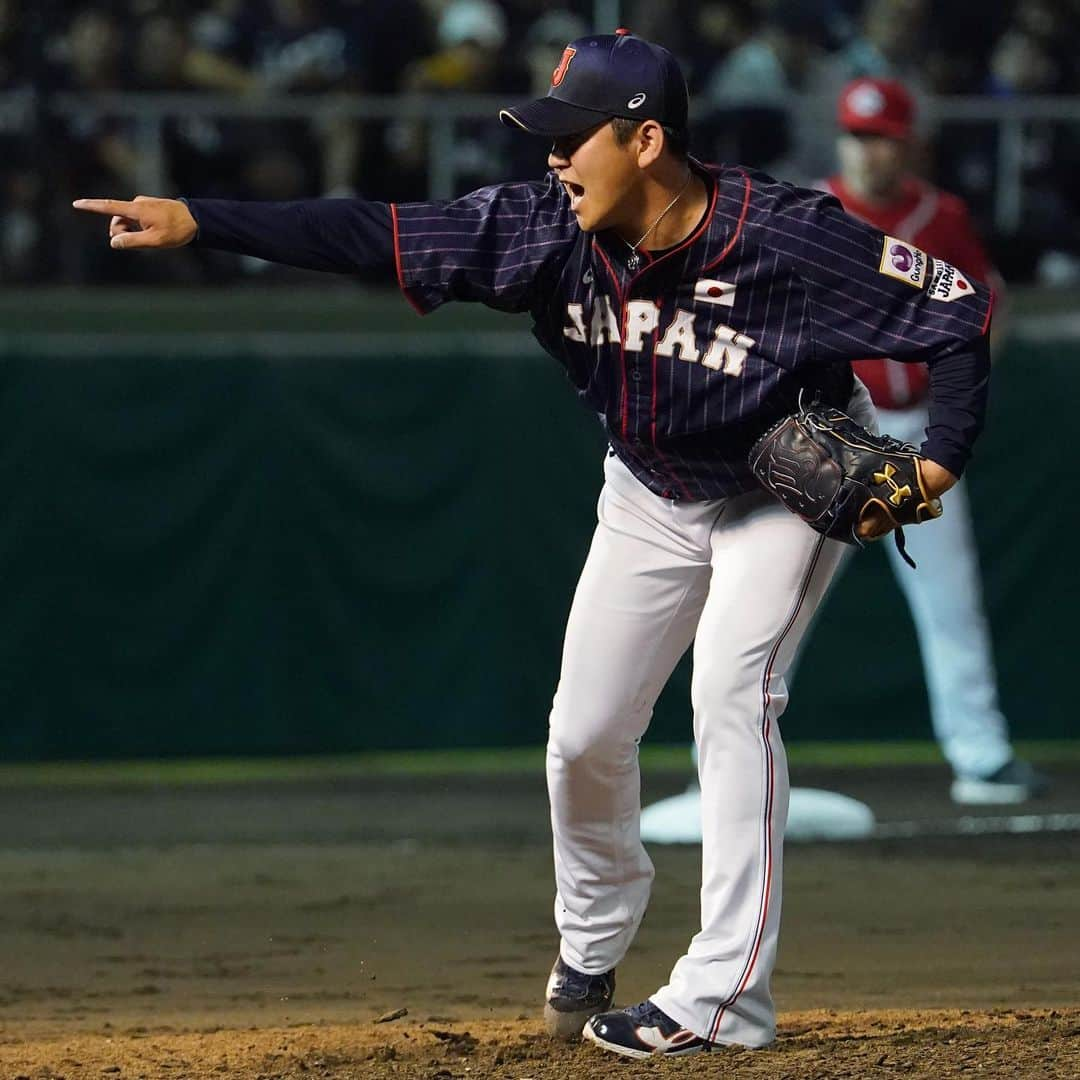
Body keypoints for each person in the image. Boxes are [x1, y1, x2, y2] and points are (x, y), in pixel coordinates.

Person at [74, 30, 991, 1059]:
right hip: (647, 489)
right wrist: (201, 218)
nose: (551, 159)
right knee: (583, 737)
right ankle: (591, 942)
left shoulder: (785, 234)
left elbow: (955, 311)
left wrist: (940, 462)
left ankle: (723, 1001)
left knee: (735, 696)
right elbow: (374, 234)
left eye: (571, 138)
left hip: (774, 502)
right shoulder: (540, 231)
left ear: (645, 142)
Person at [821, 76, 1046, 803]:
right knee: (769, 604)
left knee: (950, 601)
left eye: (882, 138)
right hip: (826, 434)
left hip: (916, 434)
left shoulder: (940, 217)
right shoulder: (810, 213)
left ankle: (980, 756)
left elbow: (989, 310)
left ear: (907, 143)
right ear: (840, 139)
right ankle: (725, 762)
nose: (869, 152)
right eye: (857, 136)